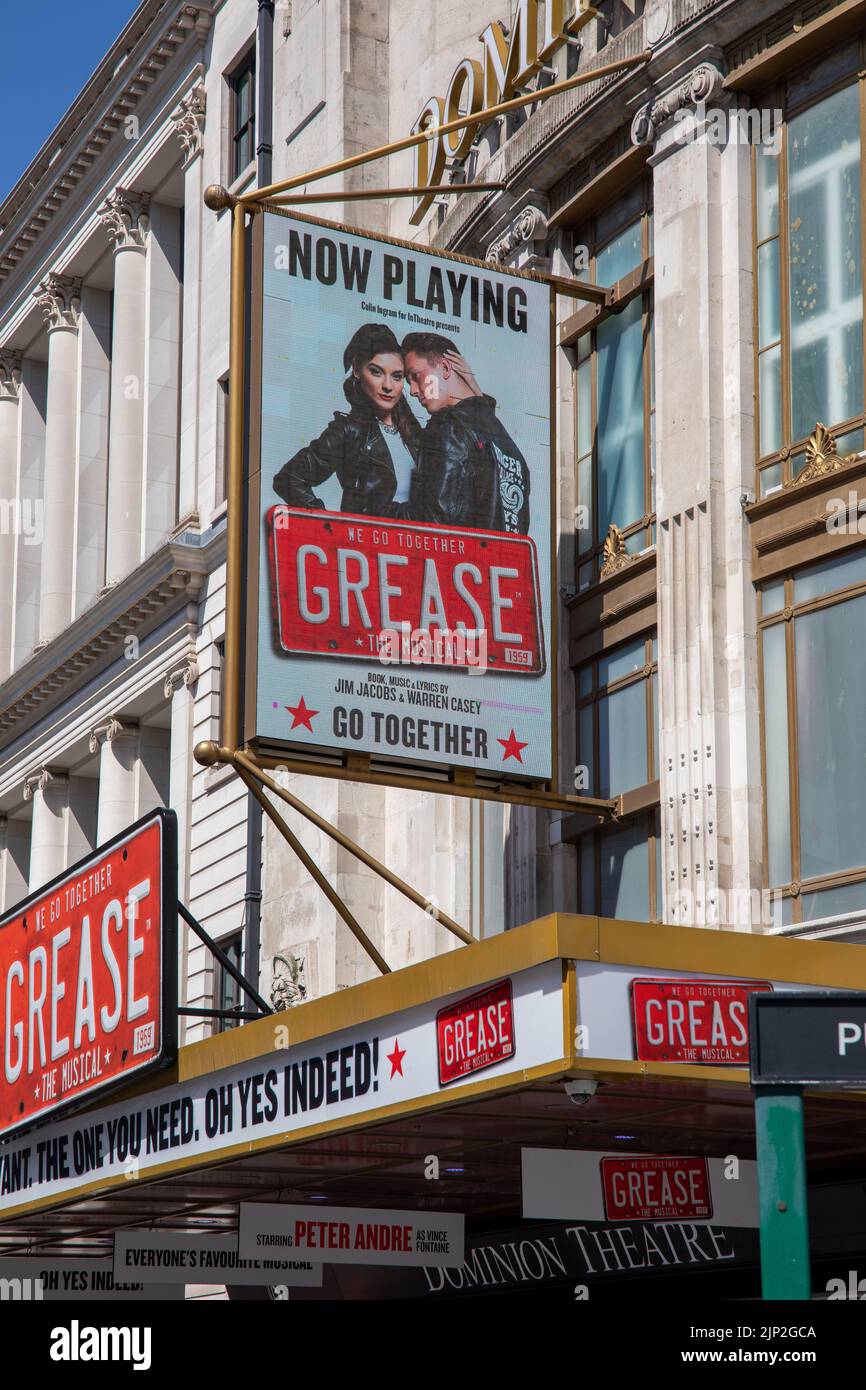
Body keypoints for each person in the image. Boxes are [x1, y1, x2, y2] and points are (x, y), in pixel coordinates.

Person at [273, 323, 422, 518]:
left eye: (396, 376)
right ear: (357, 371)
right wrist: (331, 529)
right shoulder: (349, 432)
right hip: (370, 544)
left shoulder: (414, 432)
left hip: (420, 544)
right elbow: (289, 478)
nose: (388, 386)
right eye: (376, 372)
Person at [401, 331, 531, 535]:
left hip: (458, 566)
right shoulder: (510, 449)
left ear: (445, 367)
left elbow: (436, 522)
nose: (413, 390)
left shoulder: (449, 427)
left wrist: (375, 509)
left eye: (416, 376)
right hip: (503, 566)